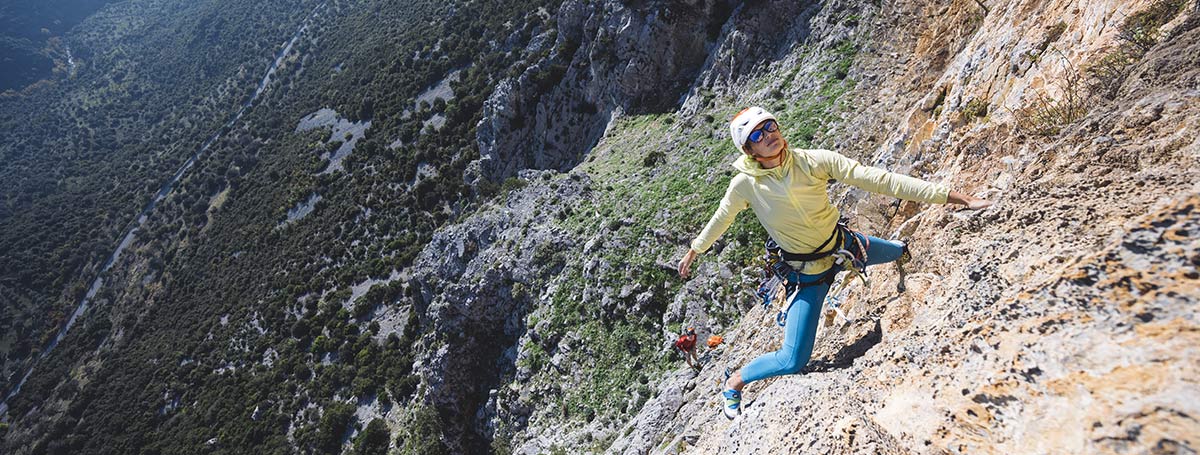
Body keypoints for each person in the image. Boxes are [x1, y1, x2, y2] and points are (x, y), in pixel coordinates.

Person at [677, 107, 992, 419]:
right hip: (807, 273)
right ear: (749, 149)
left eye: (770, 126)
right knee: (792, 361)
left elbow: (879, 179)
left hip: (843, 247)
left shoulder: (813, 161)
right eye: (757, 135)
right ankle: (734, 382)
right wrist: (695, 250)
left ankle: (900, 256)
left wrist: (958, 198)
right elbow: (723, 217)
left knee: (898, 251)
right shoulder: (745, 185)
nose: (769, 135)